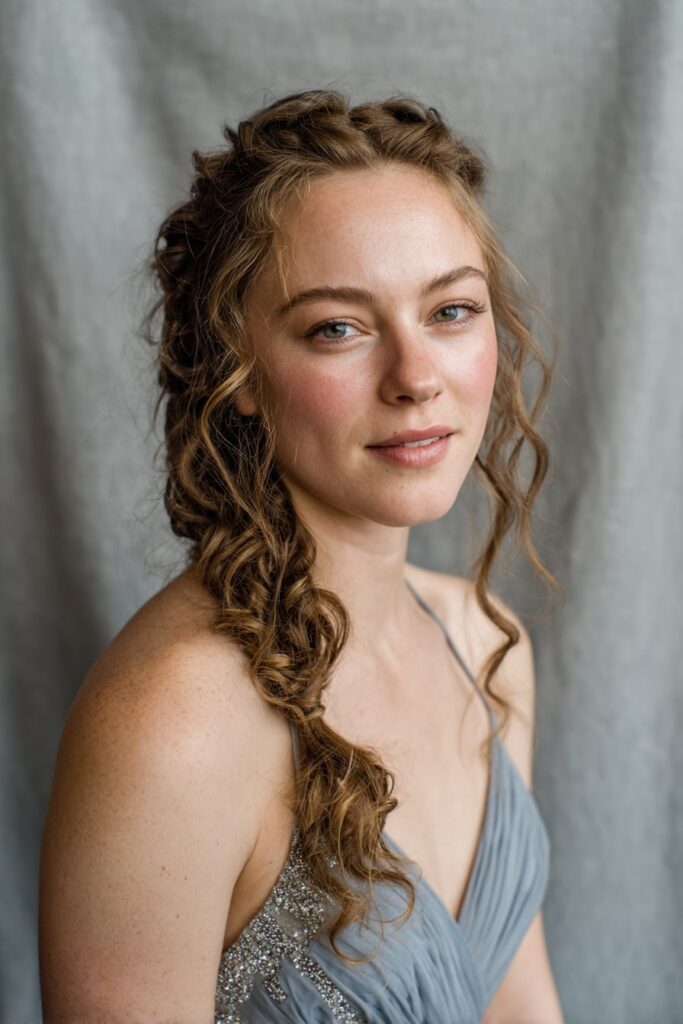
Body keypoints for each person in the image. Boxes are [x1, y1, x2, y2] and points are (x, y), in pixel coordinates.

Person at [38, 88, 565, 1023]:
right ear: (238, 371)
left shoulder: (490, 650)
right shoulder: (172, 722)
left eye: (450, 310)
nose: (415, 378)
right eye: (338, 328)